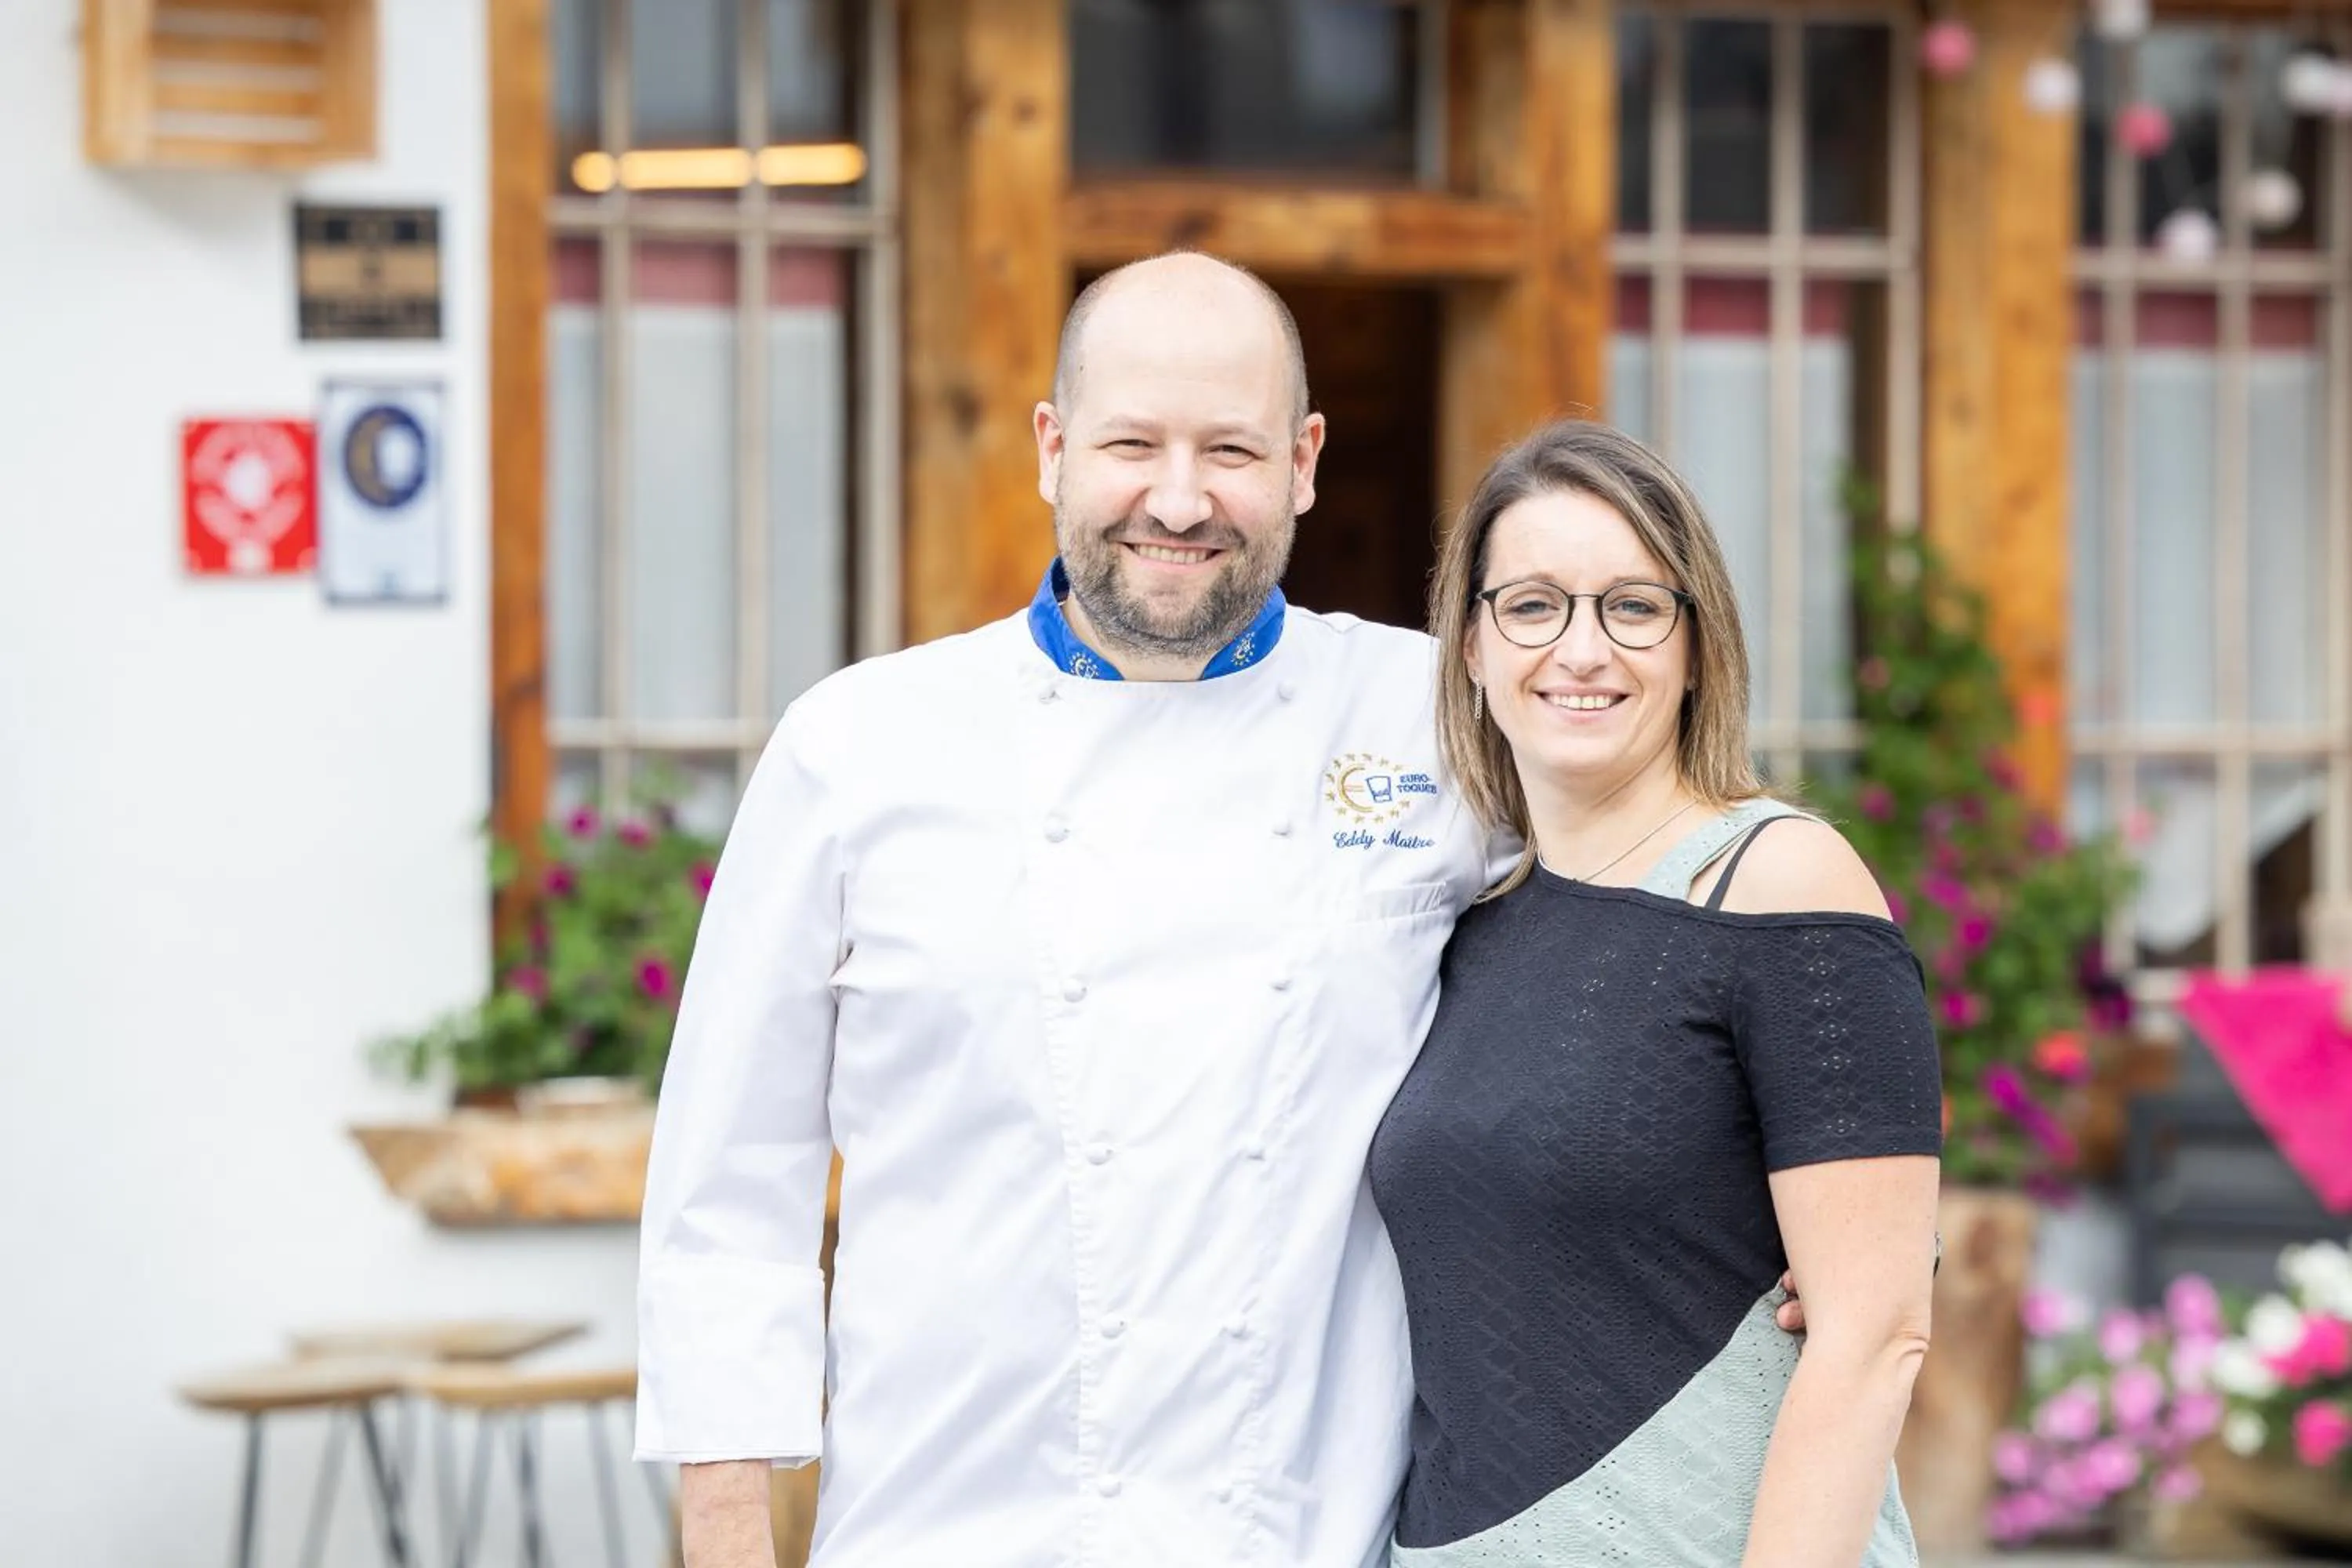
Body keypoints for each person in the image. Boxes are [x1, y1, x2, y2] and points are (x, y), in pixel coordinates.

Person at [633, 250, 1504, 1568]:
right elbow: (727, 1188)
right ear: (1049, 447)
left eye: (1230, 450)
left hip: (1305, 1534)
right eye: (1130, 443)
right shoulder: (859, 745)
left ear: (1305, 461)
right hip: (948, 1524)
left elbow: (1634, 947)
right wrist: (730, 1532)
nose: (1178, 497)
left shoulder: (1441, 720)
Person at [1367, 420, 1944, 1566]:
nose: (1582, 651)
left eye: (1632, 607)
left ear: (1694, 645)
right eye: (1533, 606)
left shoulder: (1777, 882)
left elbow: (1875, 1333)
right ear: (1473, 647)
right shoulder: (1472, 923)